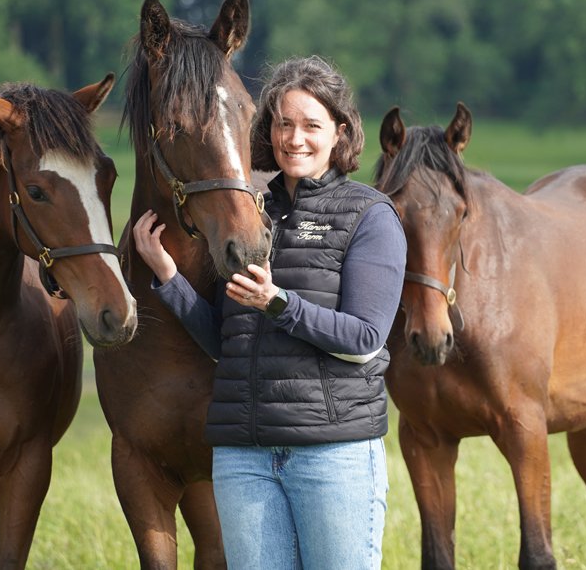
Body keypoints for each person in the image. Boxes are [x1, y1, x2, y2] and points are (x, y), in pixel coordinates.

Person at [133, 55, 406, 569]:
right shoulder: (249, 215)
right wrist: (170, 279)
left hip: (332, 455)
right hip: (244, 459)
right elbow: (227, 343)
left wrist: (278, 303)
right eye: (284, 124)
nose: (295, 138)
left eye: (311, 125)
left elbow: (365, 339)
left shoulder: (369, 215)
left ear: (340, 132)